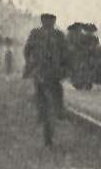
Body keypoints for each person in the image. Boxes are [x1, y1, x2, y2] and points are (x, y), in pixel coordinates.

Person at [22, 12, 68, 148]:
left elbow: (66, 54)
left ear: (54, 20)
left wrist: (63, 69)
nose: (48, 22)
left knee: (56, 96)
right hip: (41, 73)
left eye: (51, 19)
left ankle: (57, 113)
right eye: (45, 19)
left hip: (53, 74)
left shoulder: (59, 36)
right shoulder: (35, 34)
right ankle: (44, 116)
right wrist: (32, 63)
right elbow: (27, 50)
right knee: (42, 97)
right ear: (42, 20)